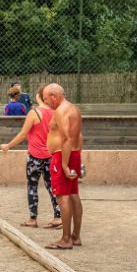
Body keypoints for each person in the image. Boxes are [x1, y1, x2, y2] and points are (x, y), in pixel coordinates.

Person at [0, 86, 62, 228]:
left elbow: (22, 135)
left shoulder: (34, 113)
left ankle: (33, 219)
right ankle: (58, 217)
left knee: (32, 185)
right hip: (50, 155)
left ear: (39, 96)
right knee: (52, 186)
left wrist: (8, 146)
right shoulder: (55, 113)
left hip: (35, 156)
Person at [43, 83, 84, 250]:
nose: (46, 103)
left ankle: (65, 239)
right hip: (73, 154)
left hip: (62, 156)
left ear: (54, 96)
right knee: (73, 194)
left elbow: (66, 138)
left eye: (46, 99)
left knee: (63, 196)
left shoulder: (60, 111)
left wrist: (65, 164)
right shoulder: (73, 109)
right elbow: (79, 136)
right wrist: (77, 160)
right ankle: (75, 236)